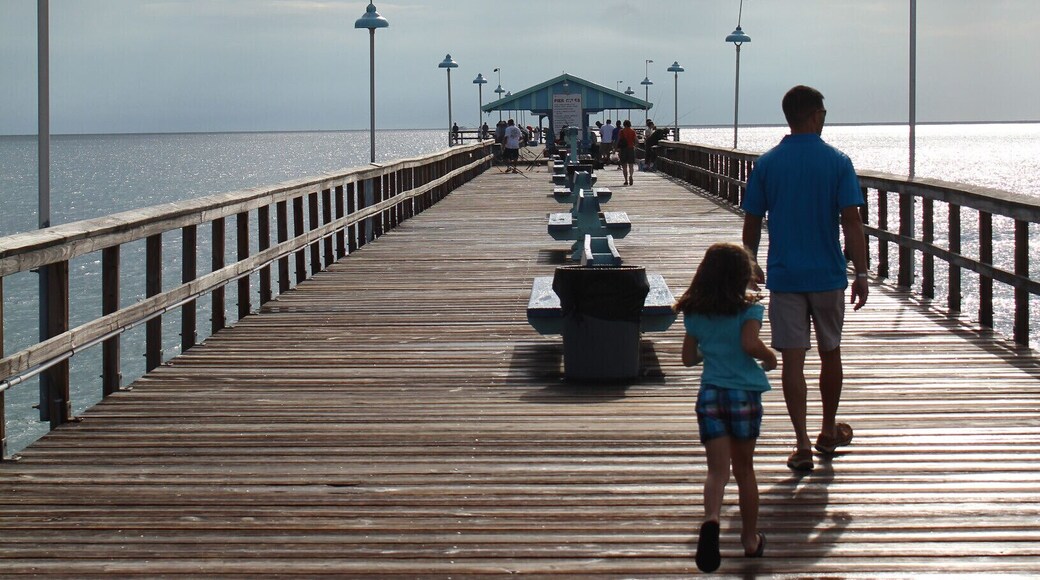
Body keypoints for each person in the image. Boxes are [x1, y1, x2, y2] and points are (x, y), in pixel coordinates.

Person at [741, 85, 869, 472]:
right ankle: (828, 430)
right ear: (814, 115)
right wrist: (862, 273)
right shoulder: (838, 161)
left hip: (785, 276)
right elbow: (852, 222)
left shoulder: (767, 164)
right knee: (831, 353)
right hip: (828, 274)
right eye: (823, 112)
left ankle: (801, 445)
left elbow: (752, 221)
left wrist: (750, 263)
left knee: (792, 362)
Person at [674, 242, 775, 573]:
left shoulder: (694, 311)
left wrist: (711, 349)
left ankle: (712, 518)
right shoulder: (751, 309)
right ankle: (749, 539)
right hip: (743, 395)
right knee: (744, 470)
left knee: (717, 471)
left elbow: (688, 359)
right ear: (743, 275)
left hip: (711, 395)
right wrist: (770, 358)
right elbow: (749, 343)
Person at [615, 120, 637, 185]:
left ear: (624, 124)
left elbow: (618, 140)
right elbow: (636, 141)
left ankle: (626, 180)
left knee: (624, 166)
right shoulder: (632, 131)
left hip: (623, 149)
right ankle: (631, 176)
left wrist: (616, 148)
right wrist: (634, 146)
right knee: (631, 165)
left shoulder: (621, 131)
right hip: (631, 149)